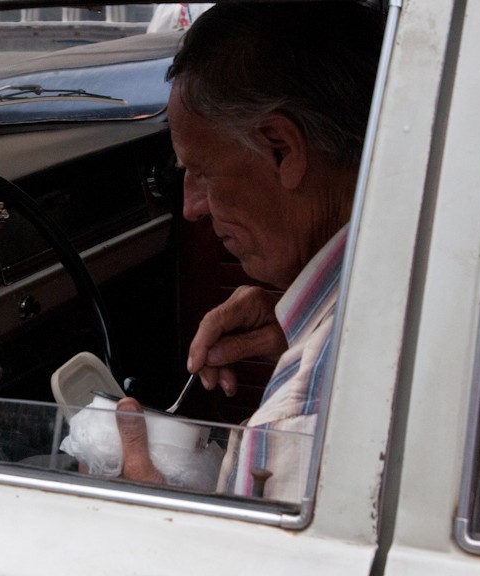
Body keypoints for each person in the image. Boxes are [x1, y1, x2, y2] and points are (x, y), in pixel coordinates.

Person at [114, 2, 385, 502]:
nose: (192, 207)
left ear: (281, 147)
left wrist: (147, 518)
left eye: (203, 172)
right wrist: (304, 337)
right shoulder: (424, 268)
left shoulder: (299, 424)